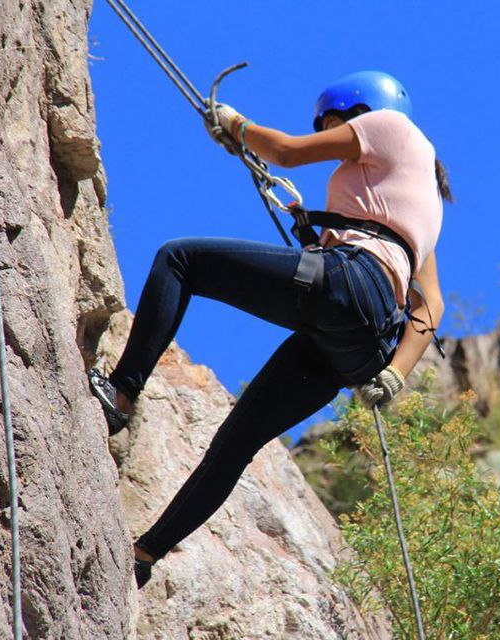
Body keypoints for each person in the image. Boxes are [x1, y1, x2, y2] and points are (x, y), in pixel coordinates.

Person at [88, 70, 450, 587]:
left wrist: (237, 127)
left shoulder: (389, 126)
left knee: (180, 261)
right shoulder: (423, 206)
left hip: (349, 282)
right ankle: (144, 555)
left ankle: (121, 395)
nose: (327, 130)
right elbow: (430, 304)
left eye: (329, 121)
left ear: (355, 109)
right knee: (238, 441)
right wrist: (393, 374)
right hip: (362, 342)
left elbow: (284, 151)